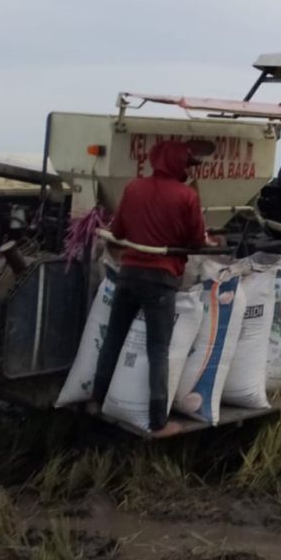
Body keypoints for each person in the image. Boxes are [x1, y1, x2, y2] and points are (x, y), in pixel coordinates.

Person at [90, 140, 211, 437]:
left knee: (114, 338)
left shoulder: (133, 188)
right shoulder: (186, 196)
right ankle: (158, 421)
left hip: (129, 274)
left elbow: (118, 232)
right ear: (178, 164)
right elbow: (196, 242)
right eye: (186, 164)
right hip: (161, 278)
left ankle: (97, 399)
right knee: (158, 348)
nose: (187, 170)